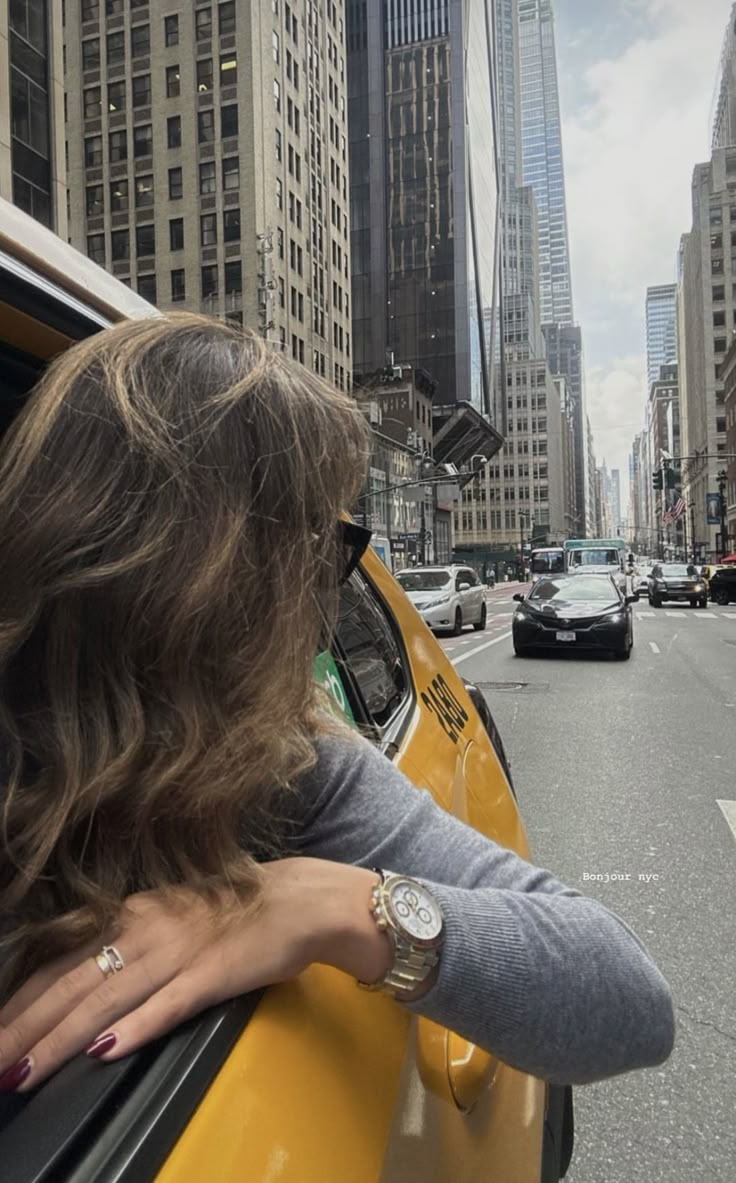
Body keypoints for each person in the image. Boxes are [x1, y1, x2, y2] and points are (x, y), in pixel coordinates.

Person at [0, 315, 674, 1094]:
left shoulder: (288, 768)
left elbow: (631, 998)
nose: (328, 600)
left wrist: (325, 903)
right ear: (213, 580)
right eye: (326, 552)